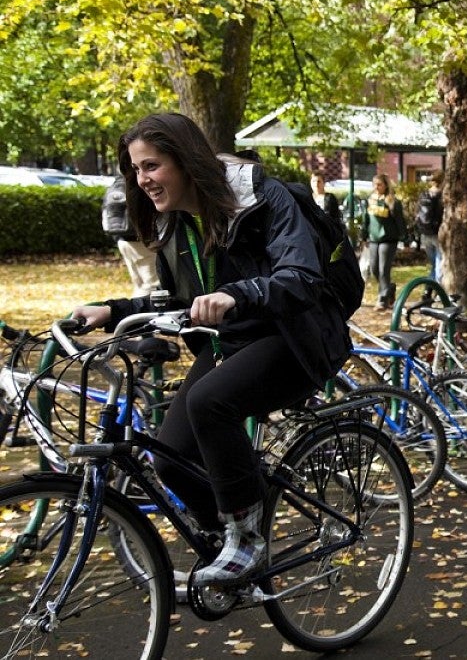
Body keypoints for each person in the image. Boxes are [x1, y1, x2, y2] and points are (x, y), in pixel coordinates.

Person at [72, 113, 351, 586]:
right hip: (233, 342)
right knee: (168, 455)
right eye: (136, 170)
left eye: (151, 166)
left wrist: (238, 295)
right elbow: (184, 298)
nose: (142, 180)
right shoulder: (178, 226)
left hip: (296, 336)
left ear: (185, 160)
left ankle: (248, 538)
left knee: (209, 403)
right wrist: (114, 309)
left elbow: (302, 277)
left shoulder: (262, 198)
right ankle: (234, 527)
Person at [101, 176, 160, 296]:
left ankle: (134, 308)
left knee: (139, 283)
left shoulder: (117, 184)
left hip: (123, 239)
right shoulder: (139, 185)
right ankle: (139, 312)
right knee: (152, 285)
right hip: (142, 242)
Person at [364, 173, 405, 311]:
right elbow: (366, 220)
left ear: (386, 185)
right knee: (374, 269)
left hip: (388, 239)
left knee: (383, 270)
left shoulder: (392, 201)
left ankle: (382, 299)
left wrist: (403, 237)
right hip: (373, 239)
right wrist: (364, 235)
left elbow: (400, 221)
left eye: (379, 184)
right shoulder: (370, 200)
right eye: (374, 184)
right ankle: (389, 288)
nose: (376, 187)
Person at [415, 170, 445, 282]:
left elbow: (417, 212)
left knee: (433, 264)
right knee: (439, 264)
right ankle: (437, 289)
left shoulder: (424, 194)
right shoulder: (442, 195)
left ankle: (428, 289)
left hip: (425, 233)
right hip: (438, 233)